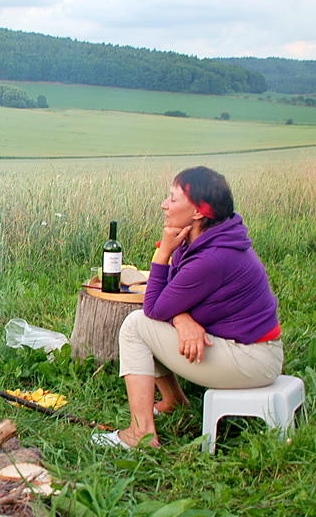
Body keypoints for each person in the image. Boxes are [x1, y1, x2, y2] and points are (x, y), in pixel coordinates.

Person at [93, 166, 283, 448]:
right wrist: (181, 318)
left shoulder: (213, 257)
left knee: (136, 326)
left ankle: (140, 435)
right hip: (244, 349)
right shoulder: (208, 238)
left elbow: (155, 308)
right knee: (149, 324)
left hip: (251, 360)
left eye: (172, 198)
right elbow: (176, 291)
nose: (164, 205)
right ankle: (173, 401)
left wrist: (163, 253)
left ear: (197, 212)